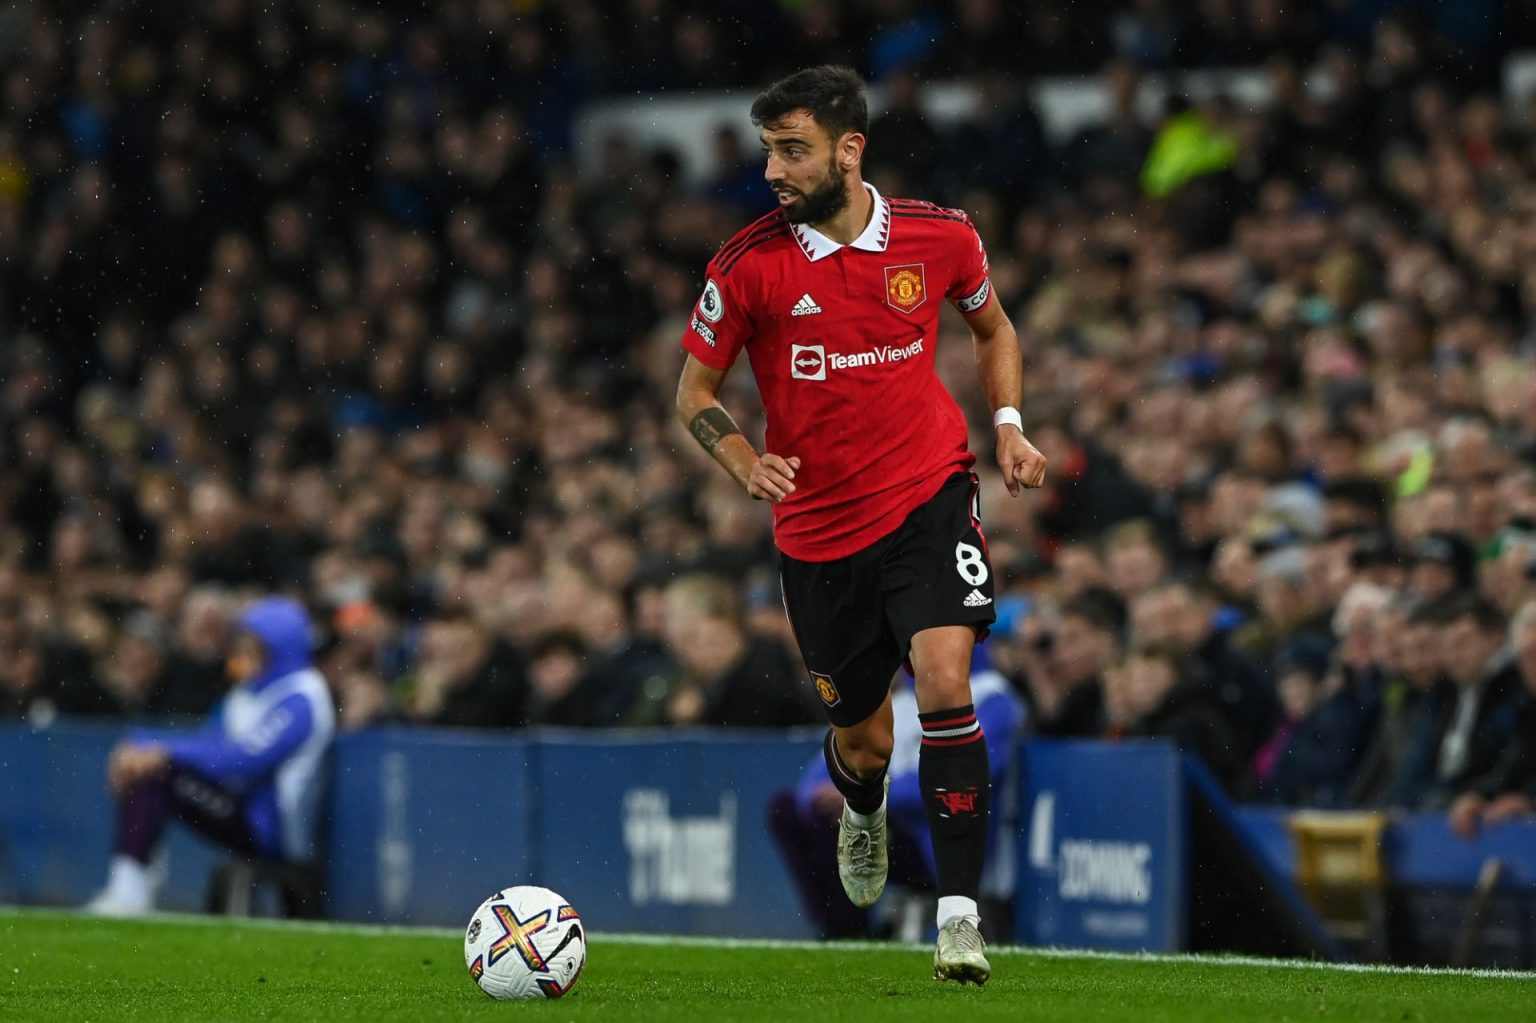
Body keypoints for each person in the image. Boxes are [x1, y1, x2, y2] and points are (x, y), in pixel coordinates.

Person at [675, 66, 1046, 984]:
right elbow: (694, 393)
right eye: (768, 150)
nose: (773, 170)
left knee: (946, 678)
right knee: (866, 740)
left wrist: (1007, 425)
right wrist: (743, 460)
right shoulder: (747, 264)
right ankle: (865, 805)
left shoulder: (940, 235)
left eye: (791, 150)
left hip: (929, 491)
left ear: (849, 150)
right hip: (818, 533)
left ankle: (958, 919)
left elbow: (994, 328)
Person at [84, 597, 336, 916]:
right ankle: (129, 889)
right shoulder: (245, 693)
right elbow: (209, 744)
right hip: (242, 808)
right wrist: (141, 744)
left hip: (273, 828)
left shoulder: (303, 695)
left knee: (160, 771)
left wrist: (161, 751)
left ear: (277, 648)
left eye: (253, 645)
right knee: (150, 770)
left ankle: (131, 893)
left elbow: (243, 760)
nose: (242, 653)